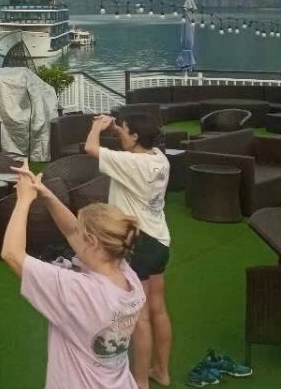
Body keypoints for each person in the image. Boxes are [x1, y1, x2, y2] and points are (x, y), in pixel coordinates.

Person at [1, 165, 145, 389]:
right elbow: (71, 231)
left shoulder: (77, 290)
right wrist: (47, 194)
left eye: (82, 232)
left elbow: (11, 254)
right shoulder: (128, 276)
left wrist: (23, 200)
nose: (76, 233)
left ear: (93, 242)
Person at [86, 113, 173, 388]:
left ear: (135, 137)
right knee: (158, 308)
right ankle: (162, 372)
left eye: (124, 130)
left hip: (139, 242)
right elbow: (132, 142)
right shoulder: (159, 158)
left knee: (140, 315)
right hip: (160, 241)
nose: (120, 133)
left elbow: (90, 147)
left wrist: (96, 127)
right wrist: (116, 127)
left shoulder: (130, 162)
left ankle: (141, 381)